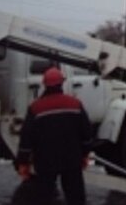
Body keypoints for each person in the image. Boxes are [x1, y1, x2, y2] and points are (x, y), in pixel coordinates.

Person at [16, 66, 92, 205]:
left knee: (44, 198)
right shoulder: (75, 104)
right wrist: (85, 154)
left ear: (45, 85)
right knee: (76, 198)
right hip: (71, 160)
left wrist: (22, 162)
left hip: (45, 163)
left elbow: (26, 139)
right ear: (61, 83)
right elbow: (86, 134)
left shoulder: (35, 108)